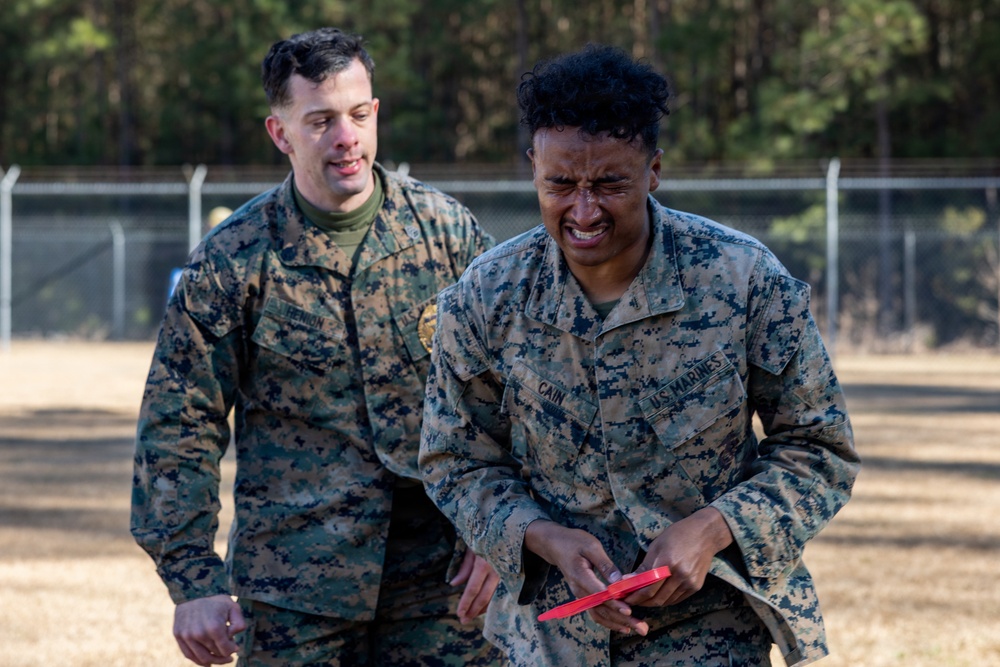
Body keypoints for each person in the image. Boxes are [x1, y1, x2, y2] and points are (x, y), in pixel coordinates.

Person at [419, 44, 861, 666]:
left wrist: (712, 529)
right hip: (552, 640)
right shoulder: (486, 296)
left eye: (610, 184)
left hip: (711, 633)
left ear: (653, 170)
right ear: (533, 167)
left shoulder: (741, 279)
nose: (584, 210)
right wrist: (543, 538)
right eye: (560, 184)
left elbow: (819, 449)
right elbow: (455, 460)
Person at [132, 27, 502, 667]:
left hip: (444, 588)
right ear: (280, 133)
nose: (346, 138)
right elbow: (180, 422)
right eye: (321, 120)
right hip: (294, 591)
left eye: (358, 114)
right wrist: (193, 580)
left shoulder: (447, 234)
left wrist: (502, 529)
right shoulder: (233, 261)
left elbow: (513, 389)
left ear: (376, 112)